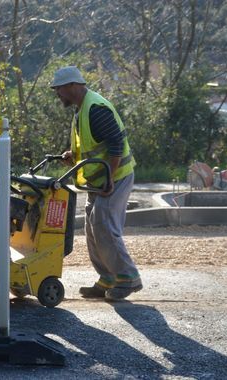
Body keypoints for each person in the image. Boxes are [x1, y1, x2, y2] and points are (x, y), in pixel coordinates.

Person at [51, 66, 142, 301]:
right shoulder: (82, 109)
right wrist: (73, 155)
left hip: (115, 177)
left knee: (104, 224)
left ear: (72, 86)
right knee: (92, 227)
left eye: (59, 89)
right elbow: (93, 145)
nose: (57, 94)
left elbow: (116, 145)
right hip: (99, 180)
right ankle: (108, 278)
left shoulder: (96, 109)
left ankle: (128, 277)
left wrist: (110, 178)